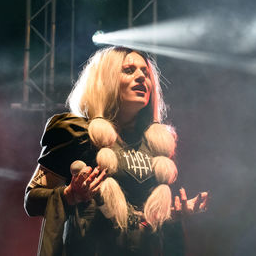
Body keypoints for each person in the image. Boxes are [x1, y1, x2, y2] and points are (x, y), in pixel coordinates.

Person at [24, 46, 209, 256]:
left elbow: (147, 223)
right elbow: (32, 201)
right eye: (129, 70)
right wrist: (69, 195)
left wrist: (173, 218)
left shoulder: (156, 144)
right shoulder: (75, 133)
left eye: (146, 73)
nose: (141, 77)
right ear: (106, 80)